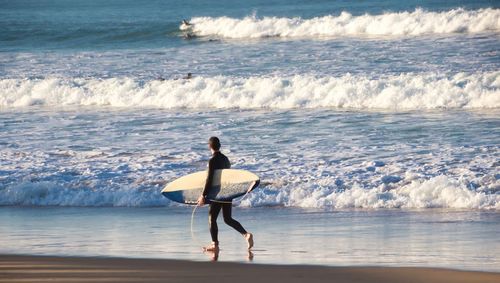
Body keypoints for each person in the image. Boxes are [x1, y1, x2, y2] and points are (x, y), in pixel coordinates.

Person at [197, 136, 254, 252]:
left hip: (217, 193)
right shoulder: (226, 159)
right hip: (227, 192)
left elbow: (210, 179)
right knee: (227, 218)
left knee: (212, 218)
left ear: (209, 146)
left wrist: (203, 195)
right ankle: (246, 234)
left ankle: (215, 245)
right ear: (220, 146)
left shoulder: (212, 160)